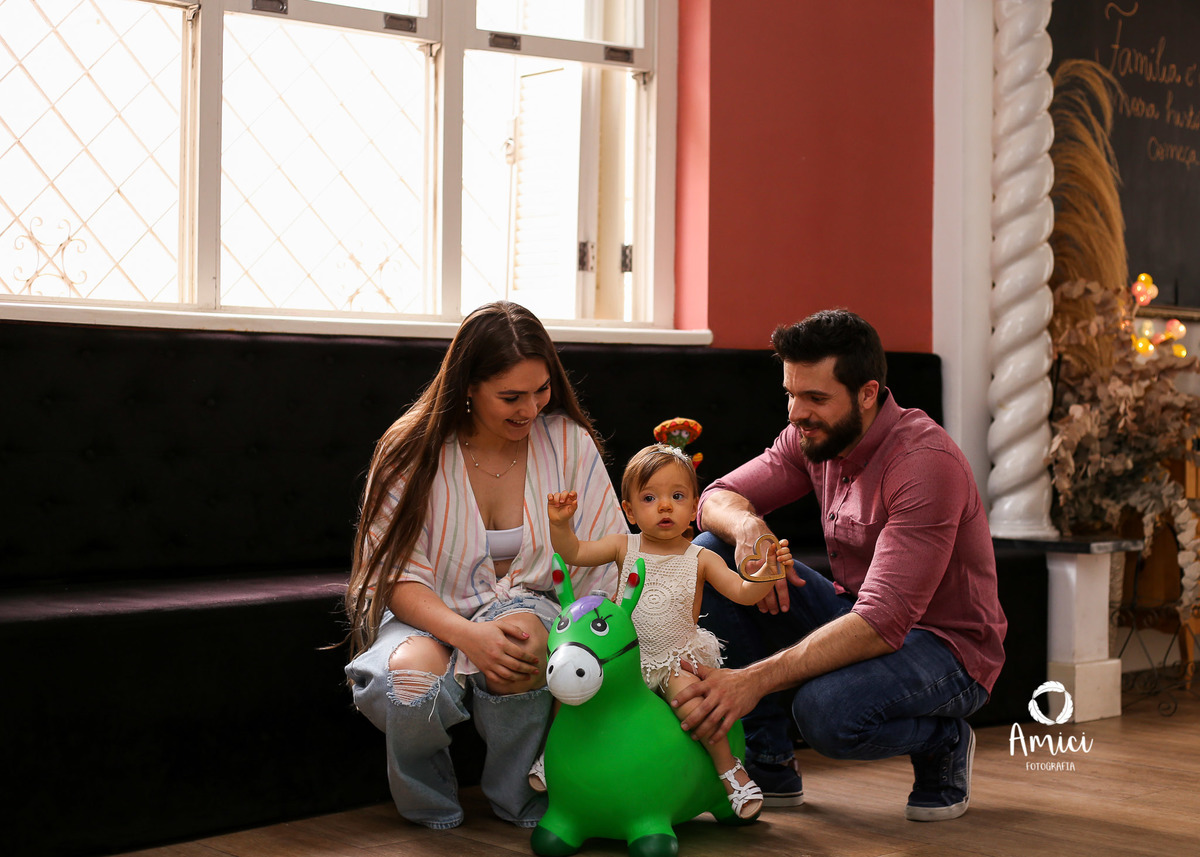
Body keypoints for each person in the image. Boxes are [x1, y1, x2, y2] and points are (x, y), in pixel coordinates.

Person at [674, 308, 1006, 823]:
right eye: (791, 392)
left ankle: (944, 740)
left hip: (948, 647)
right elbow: (718, 496)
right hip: (856, 611)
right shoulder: (814, 435)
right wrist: (749, 532)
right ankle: (769, 761)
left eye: (815, 398)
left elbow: (882, 622)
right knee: (712, 551)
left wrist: (749, 681)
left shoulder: (923, 465)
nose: (795, 412)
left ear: (867, 393)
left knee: (826, 712)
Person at [344, 301, 627, 830]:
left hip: (536, 605)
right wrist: (467, 636)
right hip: (426, 613)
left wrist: (597, 634)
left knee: (521, 641)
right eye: (511, 397)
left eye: (541, 390)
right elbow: (395, 577)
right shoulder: (409, 449)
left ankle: (520, 797)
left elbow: (604, 553)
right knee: (411, 681)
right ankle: (430, 807)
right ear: (467, 386)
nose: (531, 409)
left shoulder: (568, 442)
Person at [545, 443, 793, 819]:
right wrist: (561, 524)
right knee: (569, 691)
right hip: (622, 660)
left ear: (694, 506)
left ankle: (730, 772)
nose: (664, 506)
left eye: (677, 496)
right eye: (649, 498)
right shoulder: (620, 546)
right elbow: (574, 552)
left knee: (697, 708)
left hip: (673, 660)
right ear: (629, 510)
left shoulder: (701, 557)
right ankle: (548, 758)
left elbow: (743, 593)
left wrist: (766, 573)